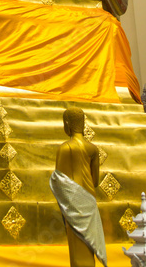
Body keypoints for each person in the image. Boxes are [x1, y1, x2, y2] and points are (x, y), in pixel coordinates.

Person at [49, 107, 107, 267]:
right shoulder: (93, 149)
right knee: (89, 239)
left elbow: (59, 180)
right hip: (89, 200)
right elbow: (95, 181)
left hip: (73, 202)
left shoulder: (64, 148)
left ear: (66, 124)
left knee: (76, 240)